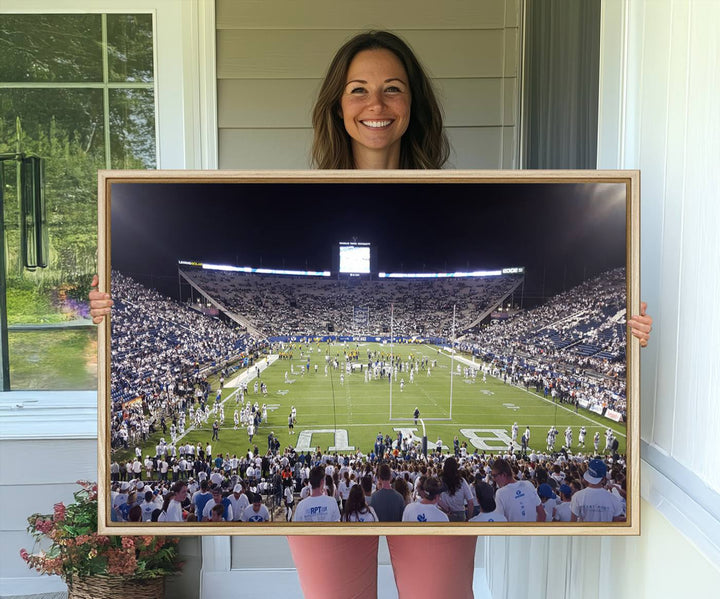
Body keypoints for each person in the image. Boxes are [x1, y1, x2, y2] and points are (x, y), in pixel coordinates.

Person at [89, 29, 653, 599]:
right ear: (337, 104)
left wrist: (628, 336)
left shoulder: (452, 197)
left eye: (393, 89)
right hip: (332, 499)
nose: (375, 104)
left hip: (430, 489)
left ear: (414, 105)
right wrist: (109, 316)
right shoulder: (296, 192)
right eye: (358, 89)